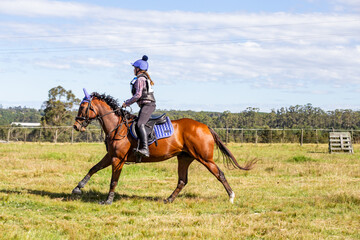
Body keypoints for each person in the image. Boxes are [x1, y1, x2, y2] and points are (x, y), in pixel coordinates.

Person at [122, 55, 156, 157]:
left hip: (148, 105)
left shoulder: (140, 79)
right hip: (146, 105)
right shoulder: (142, 78)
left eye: (134, 68)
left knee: (140, 124)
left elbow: (138, 95)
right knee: (137, 122)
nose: (133, 70)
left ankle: (145, 149)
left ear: (138, 69)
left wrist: (127, 103)